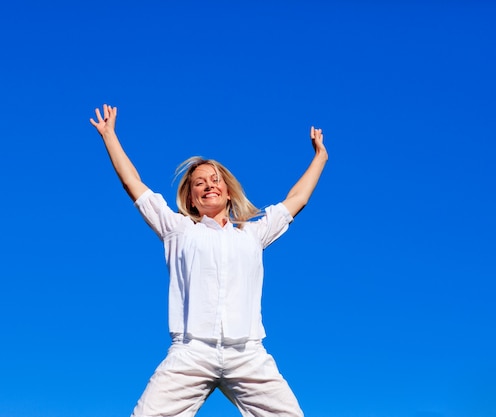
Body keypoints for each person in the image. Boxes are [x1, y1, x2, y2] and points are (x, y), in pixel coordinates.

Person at [90, 104, 328, 417]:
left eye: (215, 180)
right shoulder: (177, 229)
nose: (208, 185)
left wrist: (320, 156)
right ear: (190, 198)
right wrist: (109, 136)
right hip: (190, 350)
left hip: (248, 352)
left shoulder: (253, 234)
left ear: (228, 192)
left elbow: (297, 199)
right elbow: (134, 185)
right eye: (199, 183)